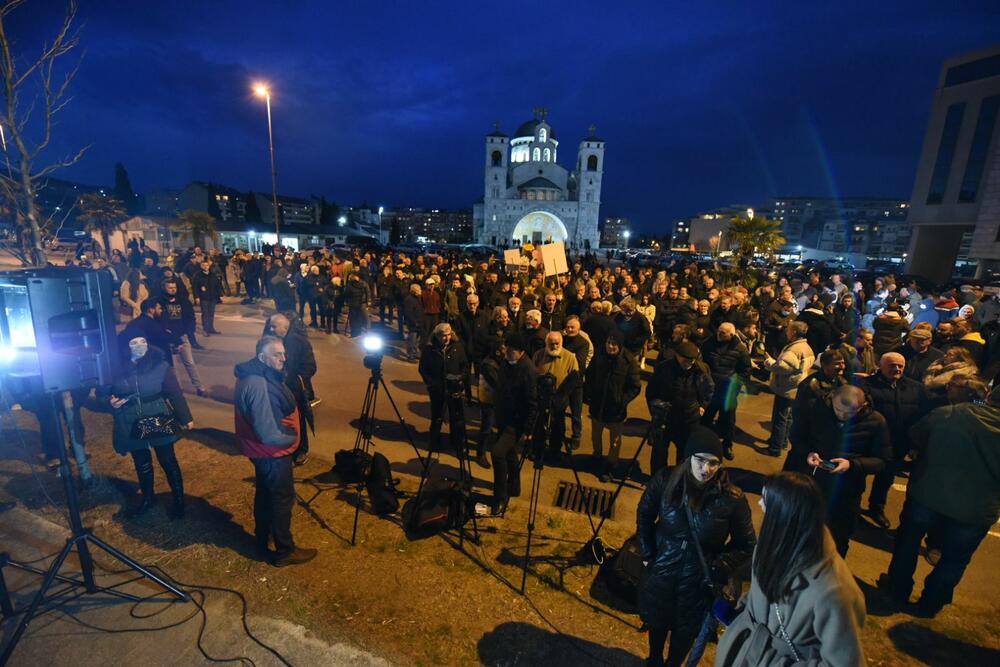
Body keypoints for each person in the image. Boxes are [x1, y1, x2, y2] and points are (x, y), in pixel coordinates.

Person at [715, 472, 866, 666]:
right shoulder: (771, 544)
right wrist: (741, 612)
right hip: (746, 653)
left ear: (784, 512)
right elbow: (761, 595)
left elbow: (846, 662)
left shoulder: (834, 591)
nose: (760, 504)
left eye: (765, 500)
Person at [636, 427, 755, 667]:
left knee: (685, 630)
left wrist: (719, 565)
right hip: (664, 567)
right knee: (658, 620)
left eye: (714, 463)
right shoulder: (665, 480)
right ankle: (655, 659)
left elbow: (748, 545)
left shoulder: (732, 498)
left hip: (698, 578)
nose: (706, 469)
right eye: (700, 460)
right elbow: (645, 514)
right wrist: (648, 553)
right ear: (688, 457)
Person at [880, 383, 1000, 617]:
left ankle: (898, 588)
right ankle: (930, 603)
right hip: (975, 509)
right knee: (955, 558)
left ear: (989, 395)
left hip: (928, 493)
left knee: (909, 542)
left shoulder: (951, 413)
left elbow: (916, 433)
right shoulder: (957, 412)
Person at [234, 336, 316, 566]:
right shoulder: (259, 384)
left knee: (266, 494)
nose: (283, 358)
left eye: (283, 353)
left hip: (262, 452)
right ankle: (284, 550)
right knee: (281, 498)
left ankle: (263, 539)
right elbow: (269, 433)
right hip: (271, 453)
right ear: (262, 357)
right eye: (276, 354)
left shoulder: (258, 374)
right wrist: (294, 438)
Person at [784, 385, 891, 556]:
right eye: (839, 410)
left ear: (863, 406)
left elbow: (883, 461)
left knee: (838, 538)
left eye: (850, 413)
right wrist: (807, 453)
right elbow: (796, 436)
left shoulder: (876, 421)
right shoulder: (814, 408)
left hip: (847, 491)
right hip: (811, 484)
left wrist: (852, 464)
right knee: (800, 531)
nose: (843, 416)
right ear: (832, 398)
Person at [109, 336, 193, 519]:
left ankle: (179, 502)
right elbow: (103, 393)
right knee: (141, 462)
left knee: (168, 460)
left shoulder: (160, 365)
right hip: (130, 418)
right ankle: (148, 499)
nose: (139, 345)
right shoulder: (115, 368)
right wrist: (110, 403)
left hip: (157, 415)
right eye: (133, 342)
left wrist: (185, 417)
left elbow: (174, 393)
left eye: (142, 341)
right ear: (125, 346)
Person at [861, 352, 930, 529]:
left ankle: (876, 508)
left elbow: (922, 416)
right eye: (892, 365)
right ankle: (850, 506)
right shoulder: (866, 385)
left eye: (900, 365)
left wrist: (915, 444)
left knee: (885, 478)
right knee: (858, 474)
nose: (897, 369)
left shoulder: (916, 388)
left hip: (898, 443)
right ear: (881, 366)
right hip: (870, 441)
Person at [645, 341, 714, 474]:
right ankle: (658, 479)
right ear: (677, 355)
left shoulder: (701, 369)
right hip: (665, 419)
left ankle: (679, 480)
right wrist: (656, 411)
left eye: (692, 360)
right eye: (686, 359)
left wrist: (703, 407)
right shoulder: (663, 369)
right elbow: (651, 392)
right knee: (659, 453)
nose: (689, 362)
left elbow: (709, 389)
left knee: (684, 455)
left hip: (689, 420)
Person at [490, 333, 538, 515]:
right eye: (506, 348)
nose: (506, 352)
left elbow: (533, 403)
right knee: (509, 454)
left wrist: (528, 429)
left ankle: (500, 498)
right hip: (503, 417)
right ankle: (515, 486)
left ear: (521, 352)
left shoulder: (528, 371)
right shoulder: (507, 363)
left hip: (516, 422)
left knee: (497, 453)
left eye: (511, 350)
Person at [585, 332, 641, 482]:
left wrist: (621, 401)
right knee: (596, 434)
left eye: (614, 344)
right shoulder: (600, 355)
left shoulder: (628, 362)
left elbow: (635, 386)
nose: (610, 346)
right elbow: (590, 374)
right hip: (598, 405)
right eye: (608, 343)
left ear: (620, 346)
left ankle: (611, 463)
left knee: (615, 440)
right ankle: (596, 456)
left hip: (615, 410)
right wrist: (589, 394)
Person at [265, 314, 317, 465]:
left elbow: (310, 367)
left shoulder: (299, 342)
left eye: (274, 326)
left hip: (294, 389)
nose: (270, 329)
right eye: (270, 326)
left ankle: (301, 450)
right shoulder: (269, 340)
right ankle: (285, 445)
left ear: (285, 327)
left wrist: (297, 378)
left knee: (298, 420)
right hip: (275, 388)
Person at [700, 322, 751, 460]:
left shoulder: (740, 349)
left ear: (731, 335)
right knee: (705, 418)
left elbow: (745, 370)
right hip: (710, 389)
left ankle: (727, 444)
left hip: (728, 390)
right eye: (719, 331)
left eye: (723, 333)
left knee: (728, 421)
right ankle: (701, 442)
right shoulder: (708, 343)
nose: (719, 334)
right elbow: (701, 362)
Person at [763, 321, 815, 456]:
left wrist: (769, 362)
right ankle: (783, 442)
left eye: (789, 330)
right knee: (788, 417)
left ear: (794, 332)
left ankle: (774, 448)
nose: (786, 332)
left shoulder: (793, 350)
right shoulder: (806, 347)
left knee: (779, 418)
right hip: (796, 386)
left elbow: (782, 367)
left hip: (786, 387)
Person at [418, 323, 469, 454]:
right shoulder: (429, 350)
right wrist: (432, 384)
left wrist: (459, 378)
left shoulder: (457, 347)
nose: (446, 338)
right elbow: (423, 369)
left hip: (454, 388)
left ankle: (457, 443)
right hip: (437, 390)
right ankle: (434, 442)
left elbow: (465, 366)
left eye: (448, 335)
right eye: (443, 336)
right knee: (437, 417)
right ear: (437, 336)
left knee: (456, 418)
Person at [532, 331, 581, 457]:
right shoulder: (538, 355)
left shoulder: (570, 357)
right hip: (542, 397)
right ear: (546, 343)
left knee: (558, 426)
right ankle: (537, 449)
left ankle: (555, 450)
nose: (554, 346)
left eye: (557, 344)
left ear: (561, 343)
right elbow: (532, 374)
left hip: (560, 398)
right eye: (551, 343)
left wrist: (563, 396)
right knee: (538, 425)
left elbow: (574, 378)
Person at [191, 260, 223, 335]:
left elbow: (217, 285)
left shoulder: (212, 274)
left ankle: (211, 328)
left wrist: (220, 295)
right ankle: (206, 329)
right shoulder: (197, 275)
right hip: (203, 297)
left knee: (211, 313)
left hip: (212, 297)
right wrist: (197, 297)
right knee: (205, 314)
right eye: (204, 265)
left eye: (207, 265)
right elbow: (195, 287)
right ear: (201, 266)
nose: (205, 267)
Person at [402, 283, 424, 361]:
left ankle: (416, 353)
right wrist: (414, 322)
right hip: (413, 324)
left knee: (417, 340)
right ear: (415, 291)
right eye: (419, 290)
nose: (421, 291)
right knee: (412, 340)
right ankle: (410, 355)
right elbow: (408, 313)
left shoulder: (418, 298)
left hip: (419, 322)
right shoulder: (409, 299)